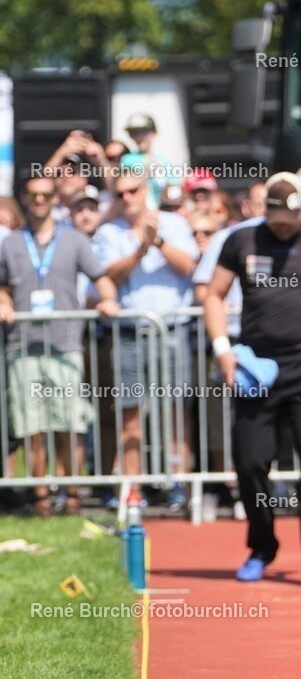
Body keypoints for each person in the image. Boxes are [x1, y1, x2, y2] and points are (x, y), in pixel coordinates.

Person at [203, 172, 301, 585]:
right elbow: (212, 295)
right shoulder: (241, 241)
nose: (282, 225)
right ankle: (261, 547)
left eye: (289, 219)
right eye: (275, 218)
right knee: (249, 462)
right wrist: (223, 349)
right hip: (256, 371)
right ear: (266, 211)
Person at [0, 173, 119, 514]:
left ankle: (72, 496)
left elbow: (102, 279)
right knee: (32, 427)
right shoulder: (9, 242)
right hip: (22, 348)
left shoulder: (74, 240)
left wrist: (107, 301)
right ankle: (41, 500)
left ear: (55, 200)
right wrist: (4, 301)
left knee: (70, 424)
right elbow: (2, 284)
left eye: (45, 195)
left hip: (65, 346)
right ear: (24, 199)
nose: (39, 201)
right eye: (33, 195)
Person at [92, 168, 198, 510]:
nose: (127, 198)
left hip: (172, 330)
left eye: (133, 190)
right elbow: (109, 273)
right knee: (130, 415)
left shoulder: (174, 224)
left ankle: (177, 486)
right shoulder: (109, 231)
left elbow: (191, 267)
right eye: (120, 193)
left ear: (145, 191)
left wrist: (159, 241)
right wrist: (141, 249)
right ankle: (133, 490)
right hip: (129, 333)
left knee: (175, 412)